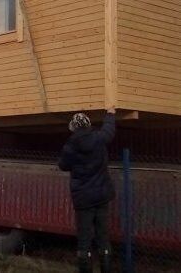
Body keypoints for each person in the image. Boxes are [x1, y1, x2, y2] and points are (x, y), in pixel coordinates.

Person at [58, 109, 116, 273]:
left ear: (73, 127)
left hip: (84, 200)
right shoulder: (99, 138)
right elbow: (109, 130)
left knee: (84, 241)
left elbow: (63, 165)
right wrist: (110, 114)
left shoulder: (71, 145)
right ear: (88, 124)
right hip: (102, 196)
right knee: (103, 238)